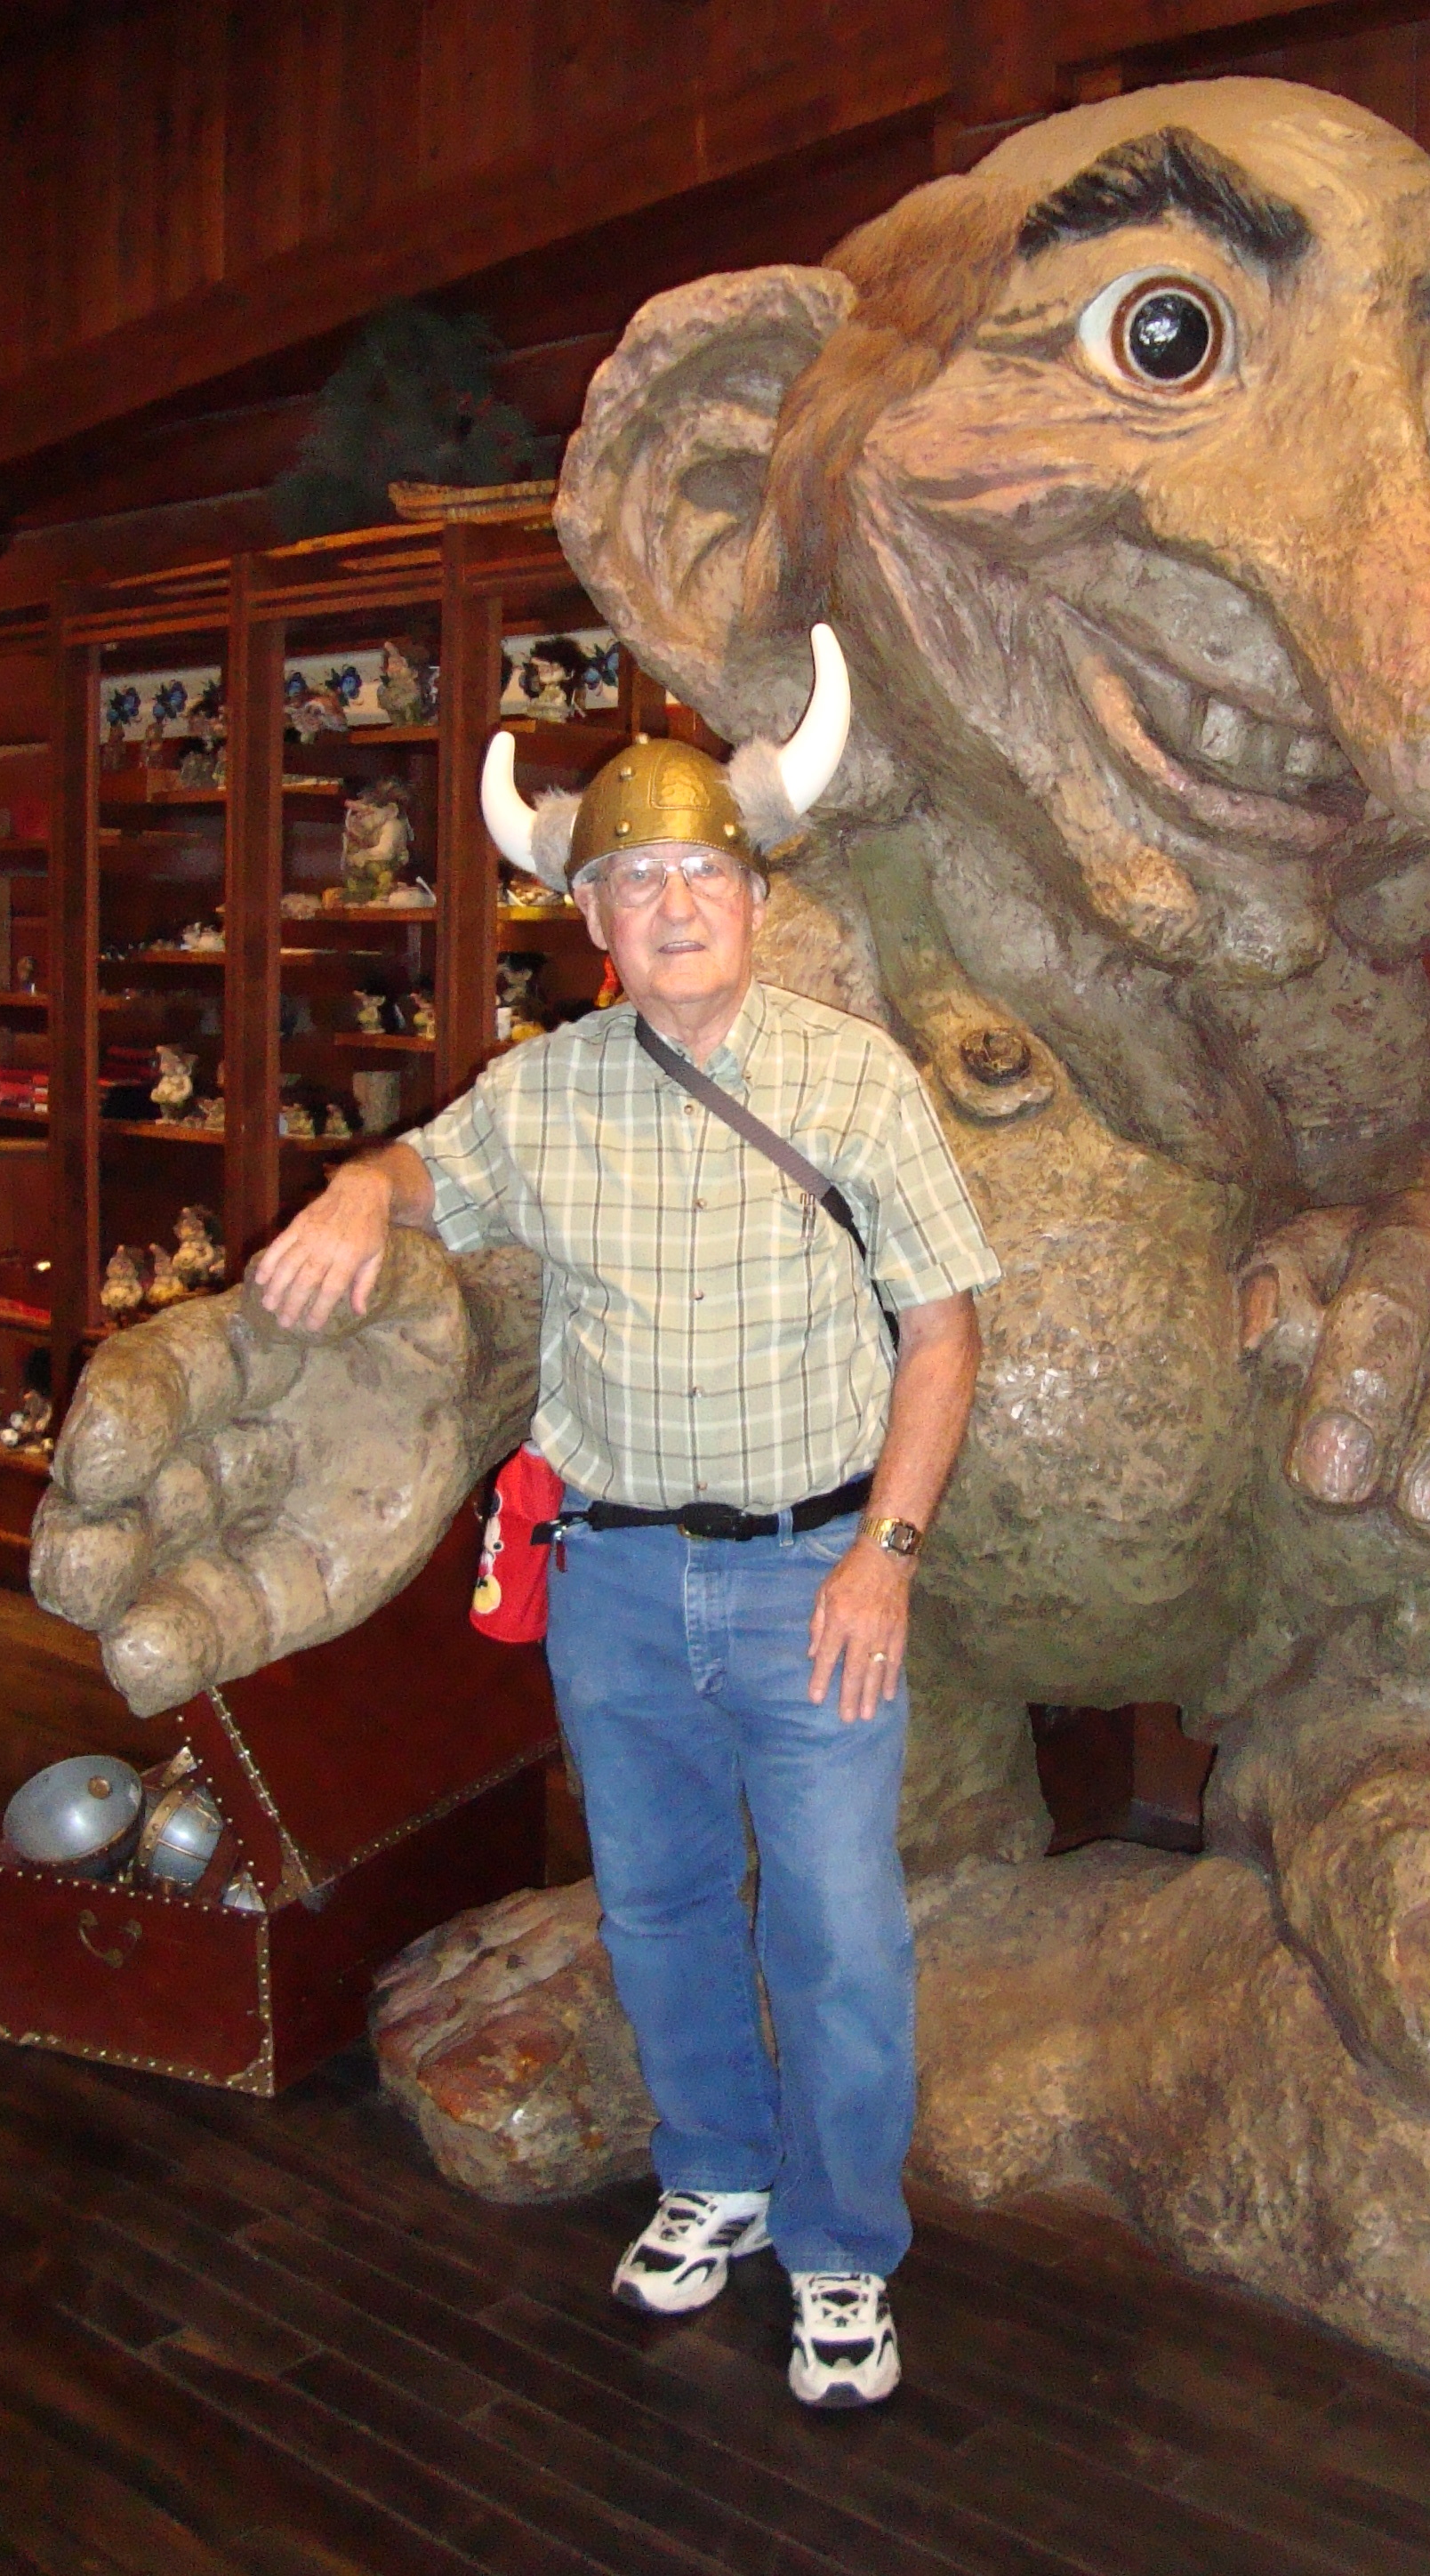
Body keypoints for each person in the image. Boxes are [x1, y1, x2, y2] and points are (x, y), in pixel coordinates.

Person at [255, 692, 999, 2410]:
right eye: (636, 880)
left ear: (757, 898)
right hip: (615, 1580)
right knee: (657, 1905)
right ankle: (714, 2170)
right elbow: (426, 1172)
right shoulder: (545, 1092)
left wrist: (887, 1554)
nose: (675, 904)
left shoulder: (852, 1078)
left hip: (815, 1577)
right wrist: (361, 1189)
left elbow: (944, 1334)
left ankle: (839, 2246)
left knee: (839, 1930)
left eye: (703, 874)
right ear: (589, 915)